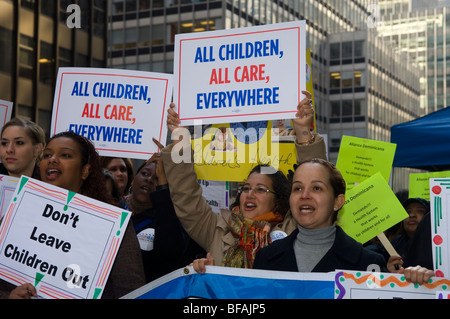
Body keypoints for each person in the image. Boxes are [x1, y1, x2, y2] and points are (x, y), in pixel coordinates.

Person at [162, 91, 327, 271]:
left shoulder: (294, 229)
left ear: (278, 199)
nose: (249, 194)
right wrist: (180, 139)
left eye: (260, 189)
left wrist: (303, 131)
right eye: (246, 188)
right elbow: (185, 196)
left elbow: (314, 181)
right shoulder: (216, 230)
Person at [4, 131, 145, 299]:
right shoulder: (18, 211)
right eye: (47, 155)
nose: (52, 159)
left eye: (65, 155)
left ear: (85, 170)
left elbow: (131, 292)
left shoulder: (112, 225)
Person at [253, 158, 433, 285]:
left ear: (337, 202)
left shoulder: (368, 264)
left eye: (316, 188)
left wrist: (414, 282)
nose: (304, 195)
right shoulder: (265, 258)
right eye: (297, 188)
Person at [120, 145, 205, 282]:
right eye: (145, 174)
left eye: (157, 179)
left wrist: (163, 190)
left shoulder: (171, 220)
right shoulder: (114, 208)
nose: (149, 180)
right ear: (133, 179)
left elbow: (169, 253)